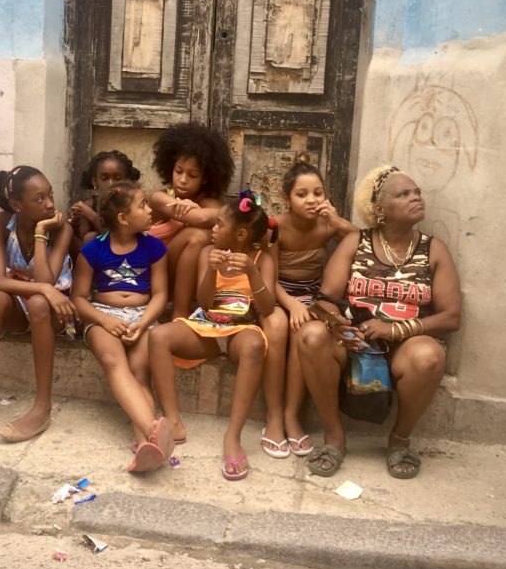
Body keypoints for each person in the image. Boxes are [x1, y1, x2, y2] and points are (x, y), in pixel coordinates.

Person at [297, 165, 461, 479]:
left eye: (417, 192)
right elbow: (324, 299)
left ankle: (399, 441)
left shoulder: (433, 250)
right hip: (354, 346)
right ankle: (334, 438)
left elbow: (451, 317)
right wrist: (337, 326)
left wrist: (395, 329)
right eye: (404, 194)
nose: (416, 198)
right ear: (380, 210)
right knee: (312, 335)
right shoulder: (355, 242)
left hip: (404, 348)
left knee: (430, 356)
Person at [149, 191, 279, 481]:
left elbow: (267, 308)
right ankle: (173, 420)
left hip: (241, 331)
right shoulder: (208, 254)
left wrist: (252, 272)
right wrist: (211, 270)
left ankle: (233, 436)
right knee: (158, 337)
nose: (214, 229)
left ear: (241, 235)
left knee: (256, 343)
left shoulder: (262, 258)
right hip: (207, 328)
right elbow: (205, 302)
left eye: (220, 225)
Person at [0, 166, 75, 448]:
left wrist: (42, 233)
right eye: (40, 199)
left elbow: (48, 280)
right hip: (24, 303)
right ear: (17, 205)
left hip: (56, 311)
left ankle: (42, 407)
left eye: (50, 195)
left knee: (40, 302)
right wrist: (43, 288)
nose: (50, 204)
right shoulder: (0, 223)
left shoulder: (61, 228)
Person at [71, 182, 172, 473]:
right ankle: (153, 429)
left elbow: (161, 294)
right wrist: (104, 320)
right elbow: (78, 298)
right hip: (103, 314)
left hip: (144, 314)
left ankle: (144, 447)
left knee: (141, 370)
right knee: (115, 362)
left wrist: (142, 323)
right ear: (123, 219)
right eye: (143, 205)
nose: (150, 209)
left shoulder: (155, 247)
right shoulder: (93, 250)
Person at [263, 156, 356, 459]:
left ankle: (293, 415)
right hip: (279, 295)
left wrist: (337, 222)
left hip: (313, 298)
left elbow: (361, 241)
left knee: (305, 330)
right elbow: (270, 277)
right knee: (283, 326)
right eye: (301, 194)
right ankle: (275, 416)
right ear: (287, 198)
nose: (311, 200)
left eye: (317, 192)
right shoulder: (276, 227)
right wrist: (289, 304)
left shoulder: (326, 226)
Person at [148, 122, 234, 319]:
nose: (183, 180)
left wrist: (209, 212)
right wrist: (203, 212)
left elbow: (226, 217)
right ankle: (179, 312)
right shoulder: (160, 198)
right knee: (197, 235)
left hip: (184, 276)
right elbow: (201, 217)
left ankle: (184, 307)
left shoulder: (207, 201)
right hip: (153, 272)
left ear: (204, 178)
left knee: (204, 237)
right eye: (178, 171)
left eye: (192, 175)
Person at [68, 149, 141, 257]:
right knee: (89, 236)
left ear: (126, 180)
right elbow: (85, 243)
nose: (111, 183)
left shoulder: (131, 205)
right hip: (93, 259)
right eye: (104, 178)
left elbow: (120, 237)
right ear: (94, 181)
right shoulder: (88, 205)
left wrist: (92, 216)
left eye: (117, 178)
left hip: (126, 255)